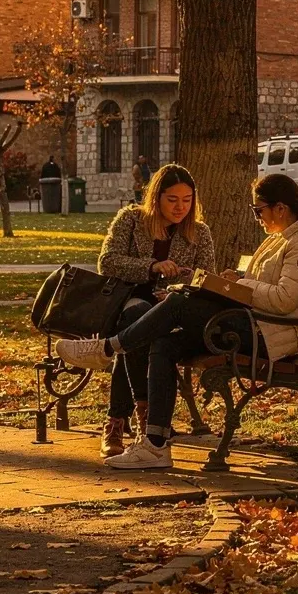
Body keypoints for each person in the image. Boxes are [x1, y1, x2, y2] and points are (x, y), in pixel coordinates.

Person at [57, 173, 298, 471]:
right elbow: (109, 260)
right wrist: (234, 281)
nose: (257, 218)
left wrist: (240, 287)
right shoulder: (279, 241)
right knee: (164, 342)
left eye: (258, 211)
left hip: (269, 335)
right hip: (252, 324)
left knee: (177, 303)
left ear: (280, 208)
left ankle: (108, 349)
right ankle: (155, 445)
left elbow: (282, 300)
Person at [91, 164, 219, 457]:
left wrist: (175, 290)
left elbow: (205, 277)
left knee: (137, 330)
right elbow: (107, 262)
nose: (180, 207)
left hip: (172, 309)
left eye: (187, 200)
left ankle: (119, 420)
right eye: (173, 199)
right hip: (129, 299)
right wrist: (150, 266)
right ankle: (133, 418)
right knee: (136, 319)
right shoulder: (132, 220)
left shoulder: (199, 232)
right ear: (157, 197)